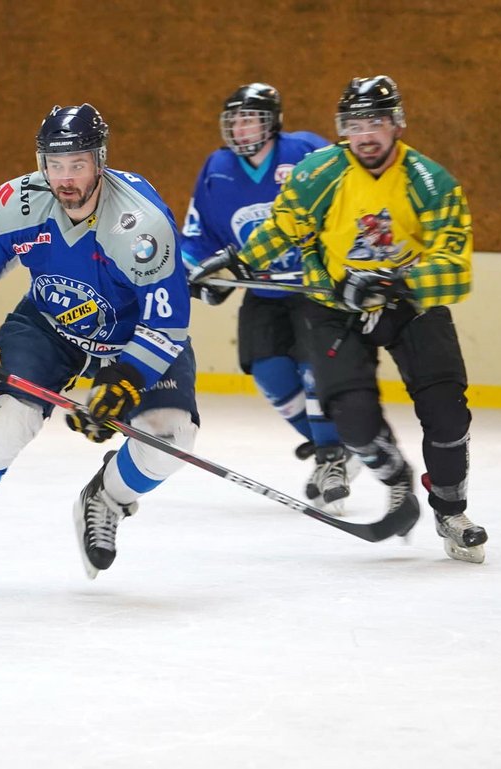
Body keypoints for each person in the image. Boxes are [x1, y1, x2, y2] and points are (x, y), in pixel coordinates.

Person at [0, 104, 199, 588]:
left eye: (77, 164)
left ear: (100, 160)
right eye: (55, 165)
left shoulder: (140, 226)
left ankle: (106, 498)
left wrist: (126, 379)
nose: (65, 179)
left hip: (131, 336)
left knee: (170, 439)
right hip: (50, 323)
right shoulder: (18, 200)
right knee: (4, 420)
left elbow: (167, 322)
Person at [194, 75, 487, 563]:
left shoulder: (431, 183)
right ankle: (396, 481)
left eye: (376, 121)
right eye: (354, 123)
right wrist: (232, 262)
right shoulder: (318, 173)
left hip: (411, 307)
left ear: (397, 124)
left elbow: (455, 270)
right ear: (342, 128)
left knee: (447, 412)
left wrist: (394, 283)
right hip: (336, 305)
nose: (365, 133)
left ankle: (451, 511)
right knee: (349, 420)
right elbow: (282, 227)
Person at [180, 82, 357, 514]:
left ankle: (332, 457)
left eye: (250, 118)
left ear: (273, 121)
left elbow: (351, 203)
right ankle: (331, 447)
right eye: (234, 120)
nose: (240, 128)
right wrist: (198, 274)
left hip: (313, 288)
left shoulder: (306, 152)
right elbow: (197, 234)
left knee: (312, 368)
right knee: (272, 377)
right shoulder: (217, 168)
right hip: (262, 290)